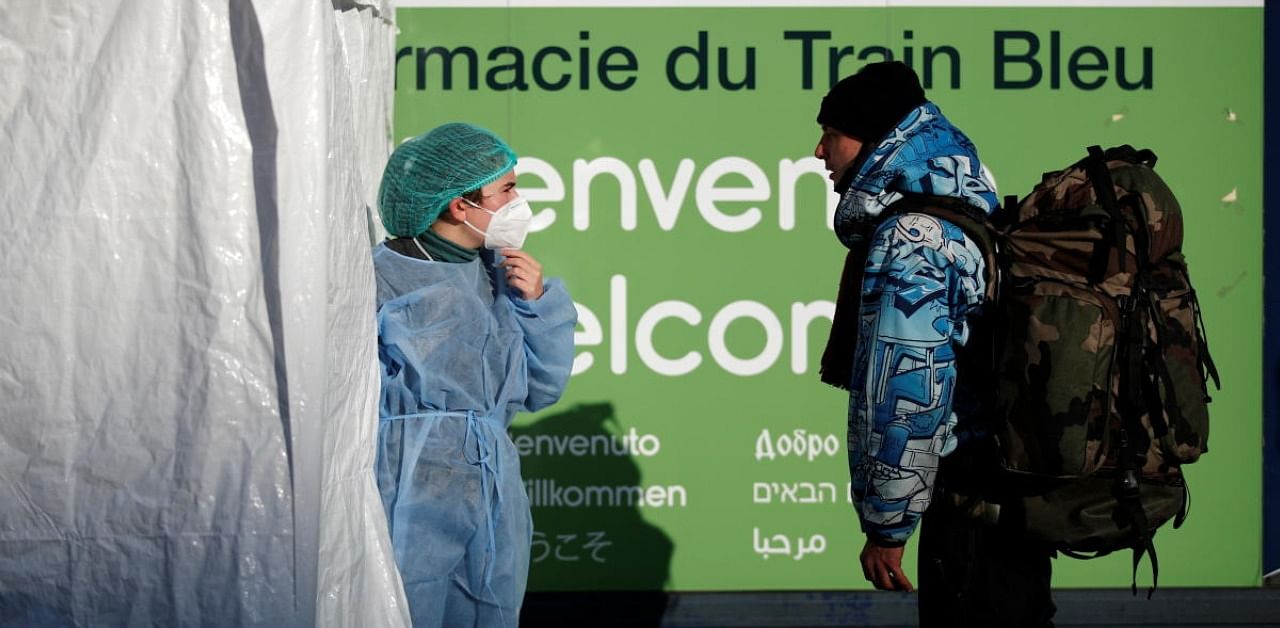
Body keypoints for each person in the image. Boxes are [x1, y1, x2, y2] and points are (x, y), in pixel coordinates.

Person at [813, 62, 1055, 627]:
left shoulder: (911, 241)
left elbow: (905, 395)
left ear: (873, 138)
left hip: (970, 500)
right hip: (1010, 492)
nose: (818, 152)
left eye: (829, 134)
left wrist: (888, 526)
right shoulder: (967, 209)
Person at [372, 122, 576, 627]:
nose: (517, 200)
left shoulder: (498, 272)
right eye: (506, 189)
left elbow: (541, 389)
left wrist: (536, 304)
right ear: (461, 206)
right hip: (406, 487)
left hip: (491, 491)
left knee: (487, 610)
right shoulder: (382, 275)